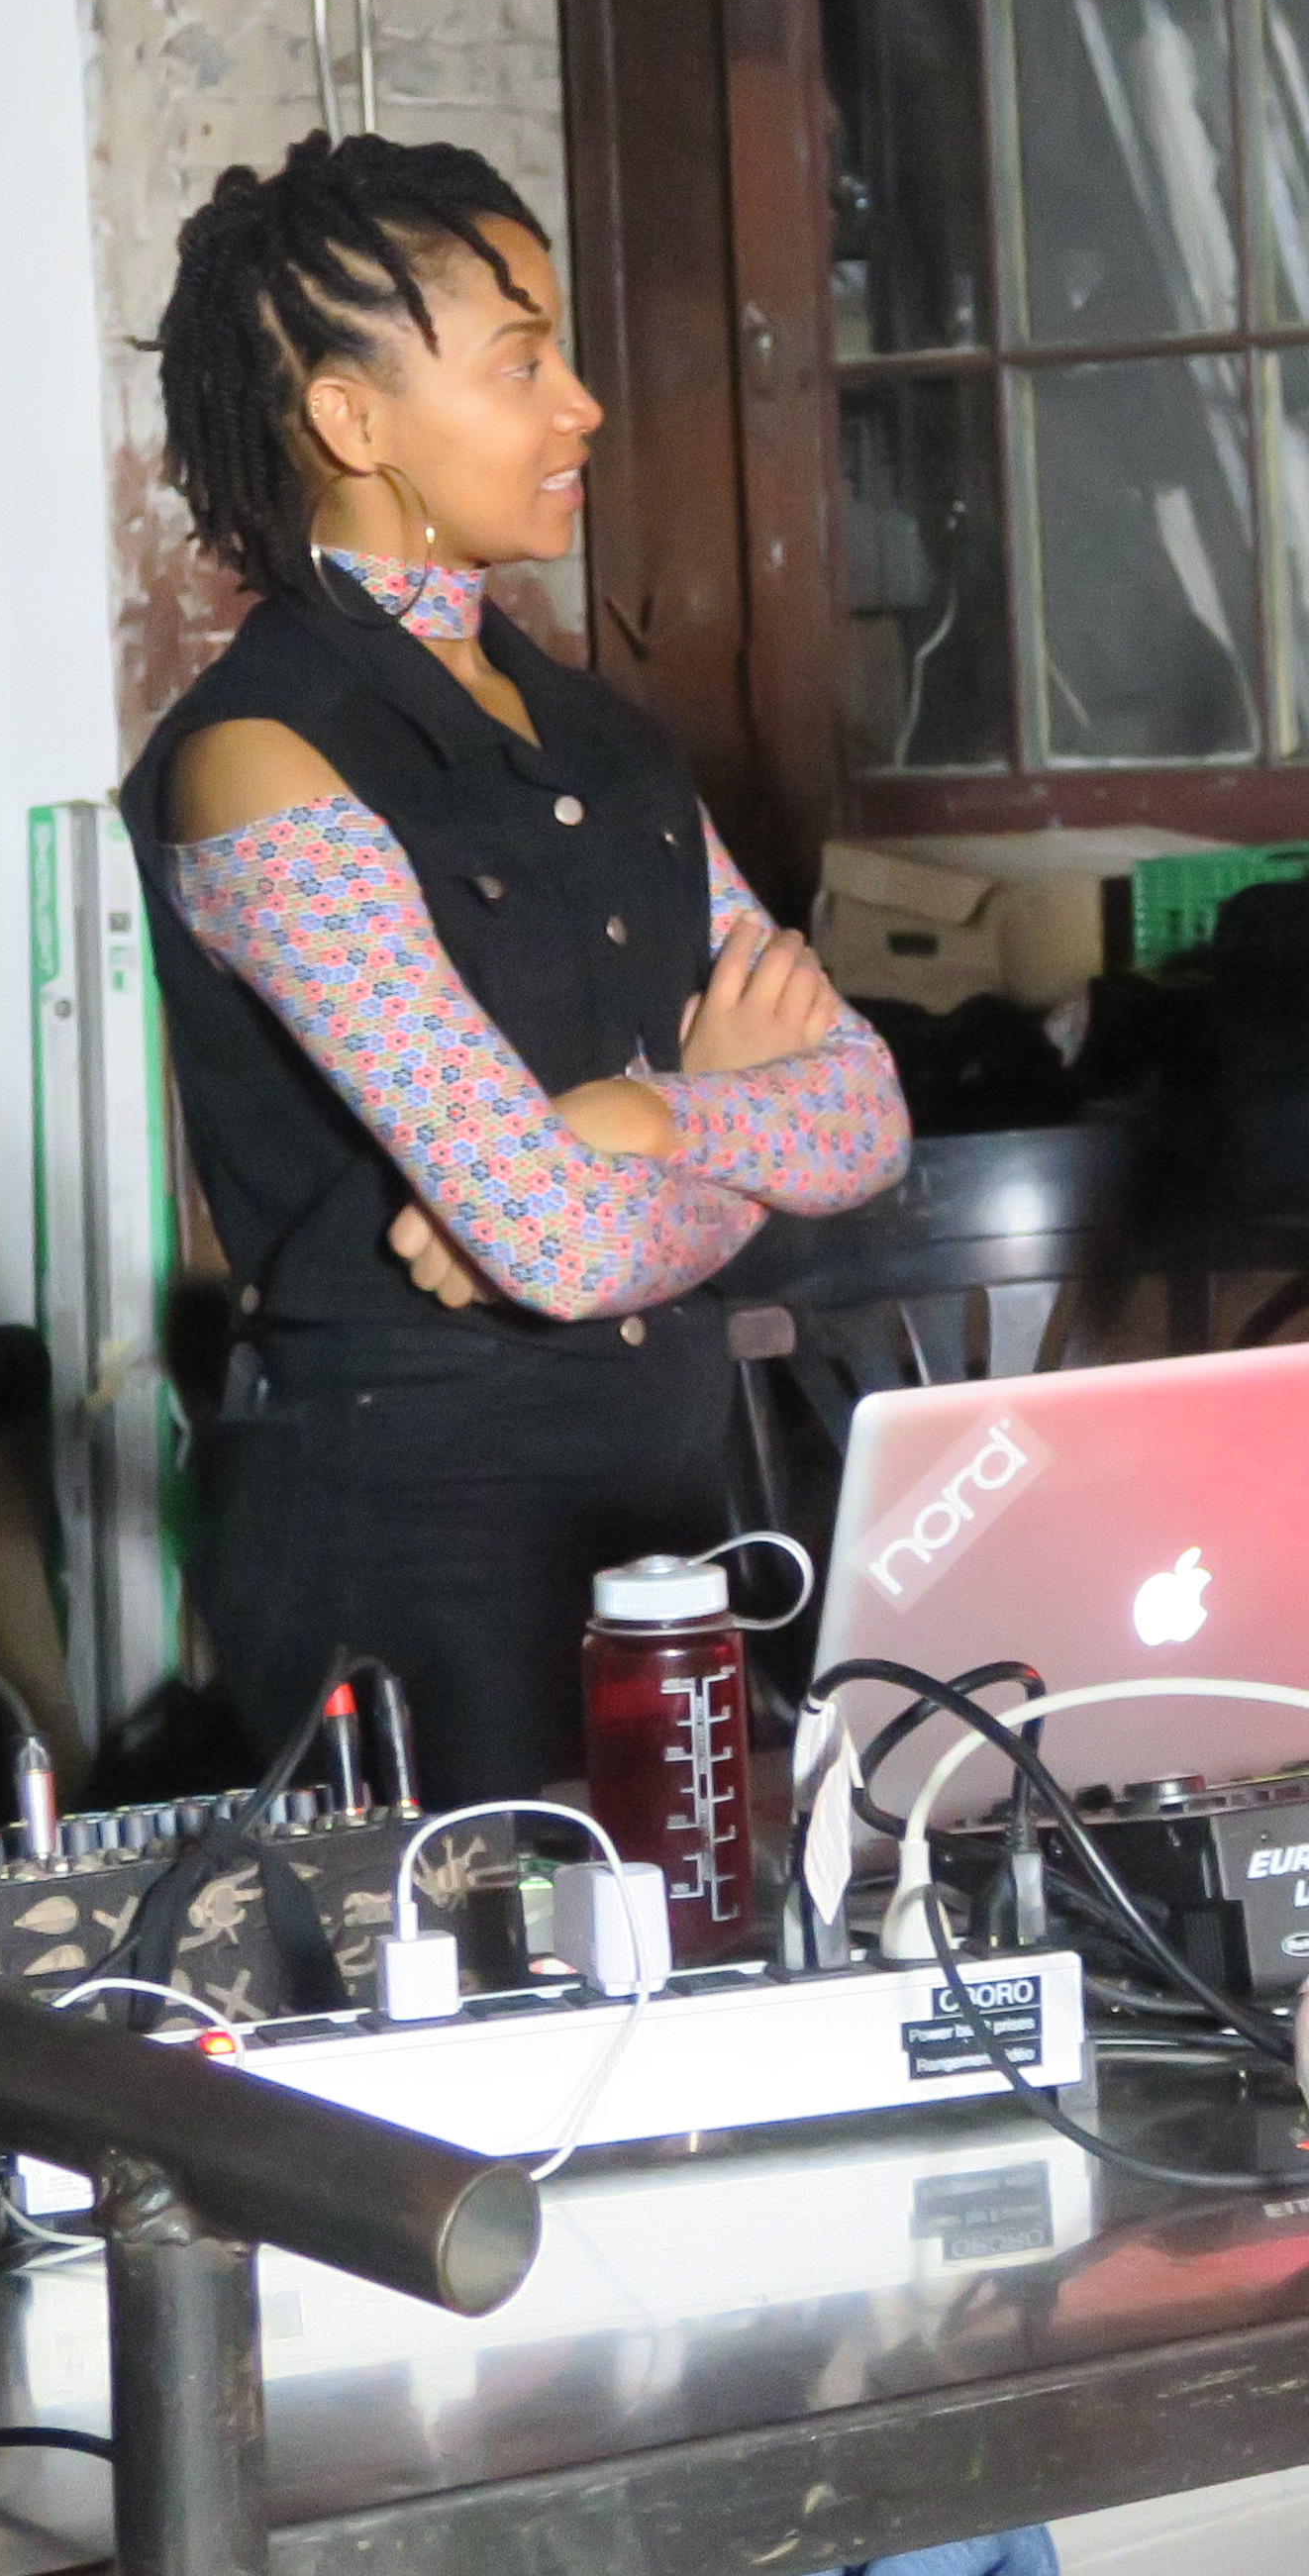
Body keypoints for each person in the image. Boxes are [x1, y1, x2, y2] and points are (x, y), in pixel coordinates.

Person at [123, 135, 910, 1806]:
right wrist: (707, 1124)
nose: (582, 407)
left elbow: (866, 1119)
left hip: (667, 1517)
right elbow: (560, 1241)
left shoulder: (600, 734)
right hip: (418, 1555)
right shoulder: (259, 761)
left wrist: (636, 1122)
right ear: (354, 421)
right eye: (521, 363)